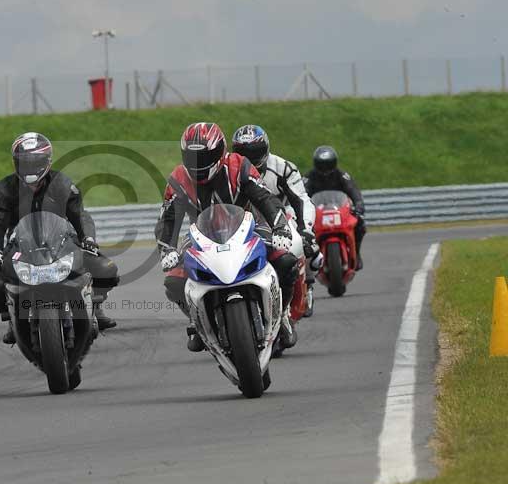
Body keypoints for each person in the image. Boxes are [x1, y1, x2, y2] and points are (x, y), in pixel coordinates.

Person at [154, 122, 298, 352]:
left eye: (206, 156)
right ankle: (198, 321)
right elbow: (168, 219)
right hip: (201, 236)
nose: (198, 164)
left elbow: (265, 198)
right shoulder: (178, 178)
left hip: (250, 228)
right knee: (173, 281)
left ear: (220, 150)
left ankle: (281, 316)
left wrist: (280, 227)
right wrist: (167, 248)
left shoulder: (239, 166)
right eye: (192, 157)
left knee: (287, 262)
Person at [0, 132, 119, 344]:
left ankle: (94, 307)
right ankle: (12, 317)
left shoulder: (62, 184)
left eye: (34, 161)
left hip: (61, 243)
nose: (29, 168)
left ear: (46, 161)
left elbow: (79, 215)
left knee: (107, 269)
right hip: (20, 248)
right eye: (23, 162)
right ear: (15, 163)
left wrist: (88, 239)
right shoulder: (3, 190)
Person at [231, 125, 322, 316]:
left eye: (254, 152)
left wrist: (306, 230)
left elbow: (302, 199)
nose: (250, 158)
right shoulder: (230, 170)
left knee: (306, 248)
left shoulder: (283, 168)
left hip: (282, 217)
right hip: (245, 220)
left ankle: (307, 285)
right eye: (243, 153)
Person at [304, 145, 366, 270]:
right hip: (318, 213)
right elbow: (301, 194)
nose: (325, 170)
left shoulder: (342, 176)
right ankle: (310, 261)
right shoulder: (309, 178)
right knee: (303, 232)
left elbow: (353, 191)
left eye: (328, 165)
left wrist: (359, 205)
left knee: (360, 224)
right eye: (322, 166)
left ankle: (357, 254)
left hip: (339, 211)